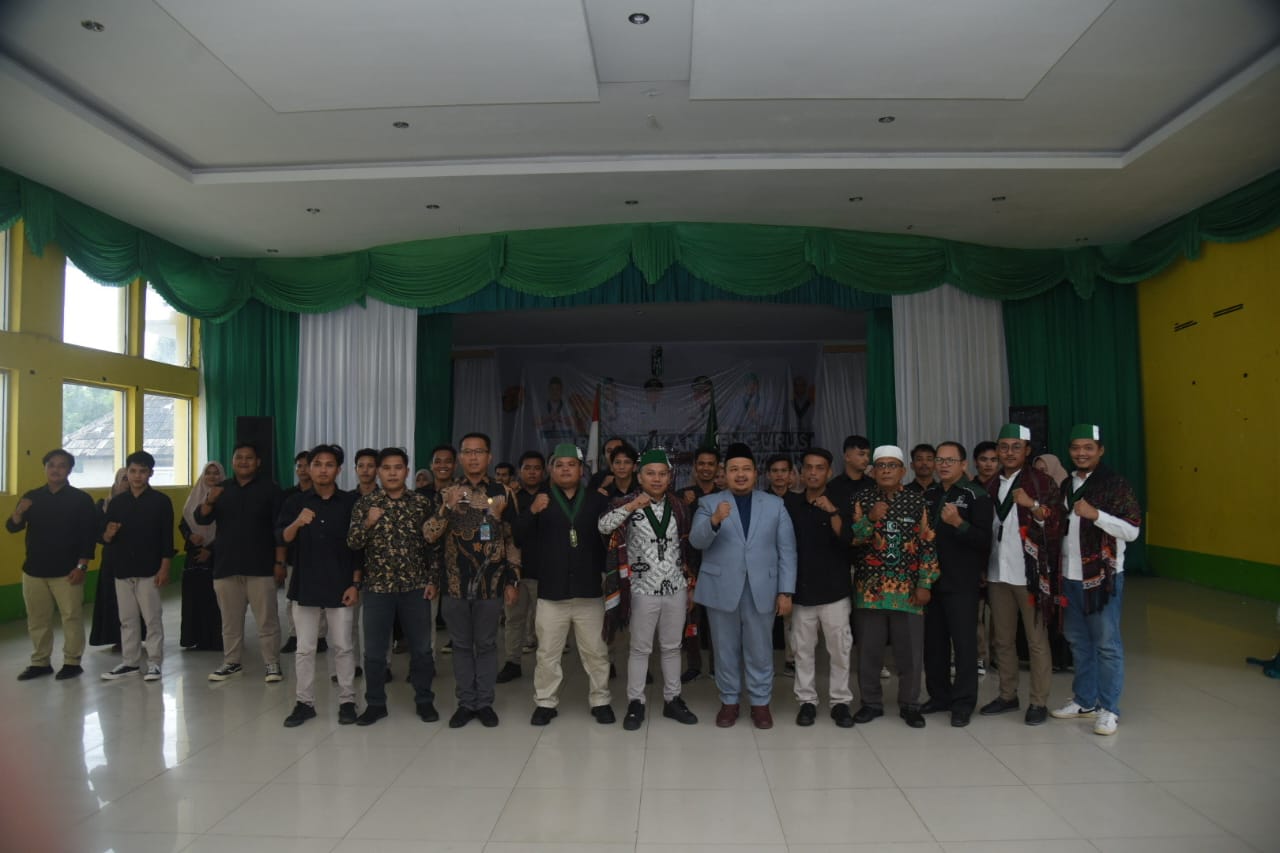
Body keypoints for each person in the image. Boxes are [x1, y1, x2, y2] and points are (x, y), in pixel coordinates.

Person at [690, 443, 797, 729]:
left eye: (746, 469)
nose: (740, 475)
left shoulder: (774, 504)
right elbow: (696, 541)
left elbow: (787, 551)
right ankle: (729, 701)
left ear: (755, 473)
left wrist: (785, 591)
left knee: (760, 649)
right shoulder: (709, 503)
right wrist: (714, 520)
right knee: (724, 649)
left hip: (762, 588)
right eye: (734, 469)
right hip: (721, 588)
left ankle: (761, 703)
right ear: (724, 473)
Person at [1049, 425, 1141, 736]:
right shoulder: (1068, 484)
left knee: (1107, 645)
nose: (1081, 453)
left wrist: (1096, 515)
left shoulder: (1115, 485)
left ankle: (1109, 708)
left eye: (1088, 447)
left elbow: (1132, 530)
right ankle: (1084, 701)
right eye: (1076, 447)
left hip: (1102, 578)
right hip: (1069, 576)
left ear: (1100, 450)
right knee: (1078, 642)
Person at [424, 432, 520, 728]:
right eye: (467, 451)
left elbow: (512, 540)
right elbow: (429, 535)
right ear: (460, 458)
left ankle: (485, 703)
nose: (473, 457)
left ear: (489, 457)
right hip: (454, 584)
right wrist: (446, 507)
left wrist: (512, 579)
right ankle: (466, 703)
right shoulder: (446, 492)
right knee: (462, 646)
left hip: (491, 584)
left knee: (488, 644)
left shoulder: (504, 492)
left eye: (479, 452)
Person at [599, 448, 698, 730]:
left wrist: (689, 584)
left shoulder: (679, 506)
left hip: (675, 588)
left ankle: (673, 699)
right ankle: (636, 702)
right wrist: (632, 506)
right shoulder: (624, 503)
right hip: (641, 589)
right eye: (650, 474)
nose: (656, 479)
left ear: (670, 477)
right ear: (639, 476)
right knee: (640, 649)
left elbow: (687, 547)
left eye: (662, 474)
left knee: (672, 647)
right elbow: (603, 526)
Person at [516, 443, 614, 725]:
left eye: (571, 464)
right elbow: (518, 536)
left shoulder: (597, 501)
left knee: (596, 652)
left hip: (589, 590)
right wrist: (532, 511)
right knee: (547, 653)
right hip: (552, 591)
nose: (565, 469)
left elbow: (611, 540)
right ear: (551, 470)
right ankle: (545, 702)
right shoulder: (540, 500)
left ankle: (600, 700)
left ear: (581, 470)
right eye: (559, 465)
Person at [848, 445, 940, 728]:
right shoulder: (861, 499)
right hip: (870, 591)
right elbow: (853, 540)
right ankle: (871, 703)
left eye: (892, 466)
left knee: (910, 653)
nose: (886, 470)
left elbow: (928, 544)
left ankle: (910, 704)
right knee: (869, 653)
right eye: (881, 466)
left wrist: (925, 583)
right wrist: (870, 519)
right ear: (873, 471)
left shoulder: (917, 502)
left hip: (908, 592)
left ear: (903, 470)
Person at [979, 423, 1064, 726]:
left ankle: (1038, 701)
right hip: (997, 572)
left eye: (1016, 447)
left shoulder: (1041, 482)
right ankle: (1007, 695)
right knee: (1002, 640)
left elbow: (1058, 522)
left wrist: (1034, 506)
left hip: (1030, 575)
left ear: (1027, 450)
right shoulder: (990, 484)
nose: (1009, 452)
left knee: (1036, 640)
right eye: (1003, 447)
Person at [346, 447, 437, 725]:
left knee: (421, 650)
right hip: (378, 588)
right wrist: (368, 522)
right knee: (374, 652)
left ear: (407, 471)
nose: (393, 473)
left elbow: (433, 544)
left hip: (415, 587)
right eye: (386, 468)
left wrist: (433, 579)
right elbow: (353, 543)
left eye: (398, 467)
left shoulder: (421, 503)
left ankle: (424, 700)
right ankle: (375, 704)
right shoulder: (366, 503)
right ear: (378, 472)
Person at [278, 444, 361, 727]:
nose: (323, 470)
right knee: (305, 648)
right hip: (306, 584)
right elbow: (282, 537)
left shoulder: (350, 502)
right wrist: (298, 522)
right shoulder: (295, 502)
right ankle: (304, 703)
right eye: (317, 464)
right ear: (308, 468)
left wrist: (355, 583)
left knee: (343, 646)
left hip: (341, 584)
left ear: (338, 470)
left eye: (329, 464)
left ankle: (347, 700)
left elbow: (358, 547)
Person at [194, 442, 286, 684]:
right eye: (239, 458)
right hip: (226, 566)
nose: (244, 462)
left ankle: (272, 663)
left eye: (249, 458)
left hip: (261, 566)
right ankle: (232, 662)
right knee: (230, 621)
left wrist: (280, 562)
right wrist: (210, 501)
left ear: (258, 462)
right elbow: (201, 518)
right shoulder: (221, 489)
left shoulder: (271, 489)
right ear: (233, 462)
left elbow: (279, 529)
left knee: (267, 620)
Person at [7, 449, 99, 681]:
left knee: (71, 617)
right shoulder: (32, 497)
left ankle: (72, 661)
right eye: (51, 465)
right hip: (34, 570)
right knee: (37, 619)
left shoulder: (81, 499)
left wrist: (82, 567)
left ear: (69, 470)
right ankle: (40, 662)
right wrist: (19, 512)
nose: (56, 470)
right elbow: (13, 527)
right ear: (45, 468)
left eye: (61, 465)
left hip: (67, 571)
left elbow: (88, 537)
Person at [920, 442, 993, 727]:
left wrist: (958, 523)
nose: (943, 465)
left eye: (950, 460)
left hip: (962, 581)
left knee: (963, 645)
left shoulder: (976, 495)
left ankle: (963, 703)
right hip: (932, 581)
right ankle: (939, 696)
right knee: (934, 644)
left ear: (963, 464)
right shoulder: (931, 494)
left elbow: (984, 540)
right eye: (939, 460)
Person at [785, 448, 855, 728]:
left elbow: (849, 540)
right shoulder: (791, 504)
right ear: (801, 472)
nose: (813, 472)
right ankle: (806, 701)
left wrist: (832, 511)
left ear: (829, 472)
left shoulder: (842, 502)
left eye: (820, 468)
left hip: (835, 591)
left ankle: (840, 702)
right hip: (802, 591)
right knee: (802, 650)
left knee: (840, 650)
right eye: (809, 467)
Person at [99, 451, 174, 682]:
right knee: (127, 619)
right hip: (122, 569)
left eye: (142, 471)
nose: (137, 476)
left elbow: (167, 539)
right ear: (127, 473)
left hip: (149, 569)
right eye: (133, 471)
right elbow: (105, 537)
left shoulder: (160, 501)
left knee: (152, 619)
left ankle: (154, 662)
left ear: (150, 473)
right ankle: (130, 661)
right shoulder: (117, 503)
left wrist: (164, 567)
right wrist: (108, 534)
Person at [499, 450, 547, 682]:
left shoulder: (551, 496)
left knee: (545, 624)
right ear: (519, 471)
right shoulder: (512, 498)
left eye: (537, 468)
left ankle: (546, 666)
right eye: (527, 468)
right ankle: (512, 662)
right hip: (516, 570)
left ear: (544, 472)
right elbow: (511, 533)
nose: (532, 472)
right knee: (514, 619)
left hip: (544, 571)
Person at [677, 446, 720, 682]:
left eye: (710, 464)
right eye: (701, 463)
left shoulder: (725, 496)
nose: (705, 468)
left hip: (718, 567)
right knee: (691, 618)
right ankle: (693, 665)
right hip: (690, 566)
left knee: (717, 622)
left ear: (717, 468)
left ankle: (717, 667)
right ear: (694, 467)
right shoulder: (682, 495)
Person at [281, 450, 324, 655]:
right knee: (291, 599)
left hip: (319, 558)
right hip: (294, 557)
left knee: (321, 600)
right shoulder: (288, 496)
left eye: (307, 465)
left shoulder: (324, 494)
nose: (303, 469)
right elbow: (281, 530)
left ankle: (321, 637)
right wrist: (280, 560)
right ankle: (294, 635)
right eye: (299, 466)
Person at [180, 462, 225, 651]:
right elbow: (183, 523)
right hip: (194, 554)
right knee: (193, 598)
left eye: (216, 473)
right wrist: (190, 536)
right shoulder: (194, 497)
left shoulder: (226, 498)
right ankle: (194, 637)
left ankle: (214, 639)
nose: (212, 477)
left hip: (218, 557)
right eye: (208, 473)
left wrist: (210, 549)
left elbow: (228, 529)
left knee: (215, 600)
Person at [89, 467, 129, 651]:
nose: (128, 482)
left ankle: (135, 636)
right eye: (124, 479)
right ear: (117, 482)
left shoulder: (145, 503)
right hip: (112, 559)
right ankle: (116, 637)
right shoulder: (103, 505)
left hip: (137, 559)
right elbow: (96, 533)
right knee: (112, 598)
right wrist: (106, 535)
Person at [971, 439, 1000, 674]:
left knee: (1000, 614)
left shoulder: (1006, 488)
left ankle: (998, 656)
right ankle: (979, 656)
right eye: (984, 460)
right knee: (976, 613)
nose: (989, 465)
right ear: (975, 462)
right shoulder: (969, 490)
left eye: (993, 460)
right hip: (976, 559)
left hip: (1001, 559)